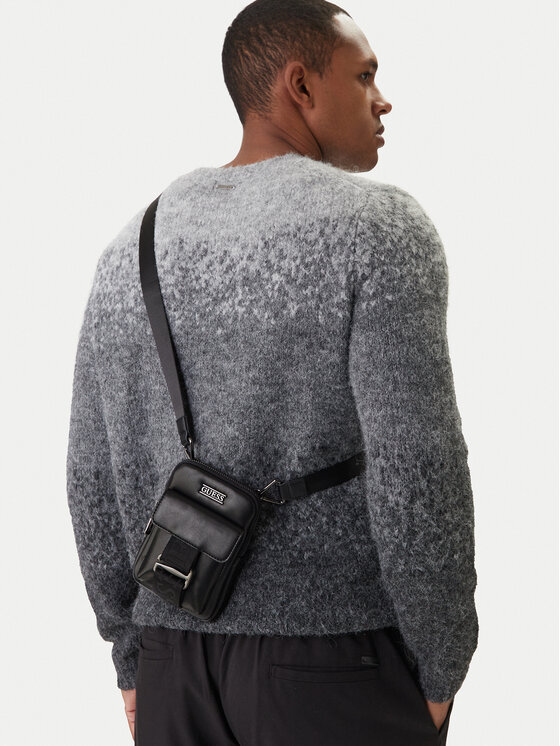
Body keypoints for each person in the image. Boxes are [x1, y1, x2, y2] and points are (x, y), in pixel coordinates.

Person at [66, 1, 479, 744]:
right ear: (301, 85)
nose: (383, 100)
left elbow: (89, 477)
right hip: (338, 664)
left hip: (172, 662)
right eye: (365, 76)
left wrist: (131, 655)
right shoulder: (379, 230)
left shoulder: (132, 245)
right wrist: (443, 665)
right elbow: (418, 468)